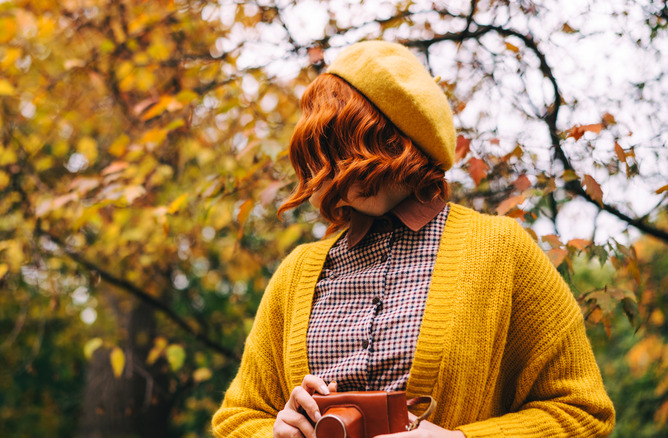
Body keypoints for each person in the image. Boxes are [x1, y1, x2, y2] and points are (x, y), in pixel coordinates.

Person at [212, 40, 615, 437]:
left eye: (344, 144)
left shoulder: (501, 250)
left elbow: (582, 413)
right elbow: (237, 419)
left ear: (396, 141)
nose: (330, 167)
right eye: (323, 148)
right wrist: (275, 433)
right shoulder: (296, 274)